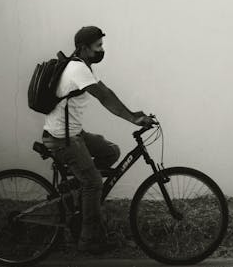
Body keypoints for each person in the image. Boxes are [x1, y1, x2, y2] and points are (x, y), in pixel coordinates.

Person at [41, 25, 154, 255]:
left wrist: (134, 113)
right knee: (94, 183)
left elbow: (106, 90)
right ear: (83, 48)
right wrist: (133, 118)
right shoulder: (77, 69)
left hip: (73, 134)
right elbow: (102, 97)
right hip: (61, 139)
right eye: (98, 46)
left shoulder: (85, 66)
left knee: (111, 152)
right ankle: (88, 240)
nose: (102, 50)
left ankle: (74, 192)